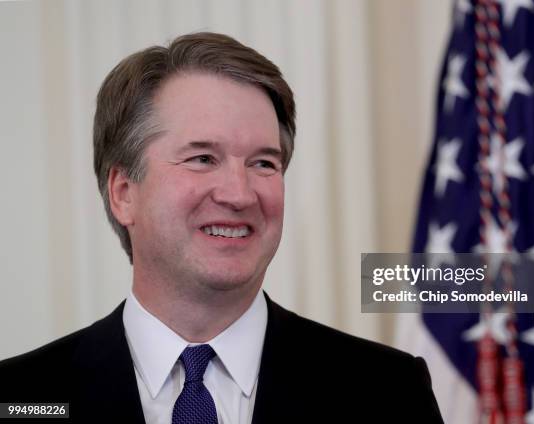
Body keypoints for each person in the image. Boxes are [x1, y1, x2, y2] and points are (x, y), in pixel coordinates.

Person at [0, 32, 443, 423]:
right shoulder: (20, 396)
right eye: (203, 159)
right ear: (123, 193)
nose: (240, 194)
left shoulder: (388, 392)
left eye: (263, 163)